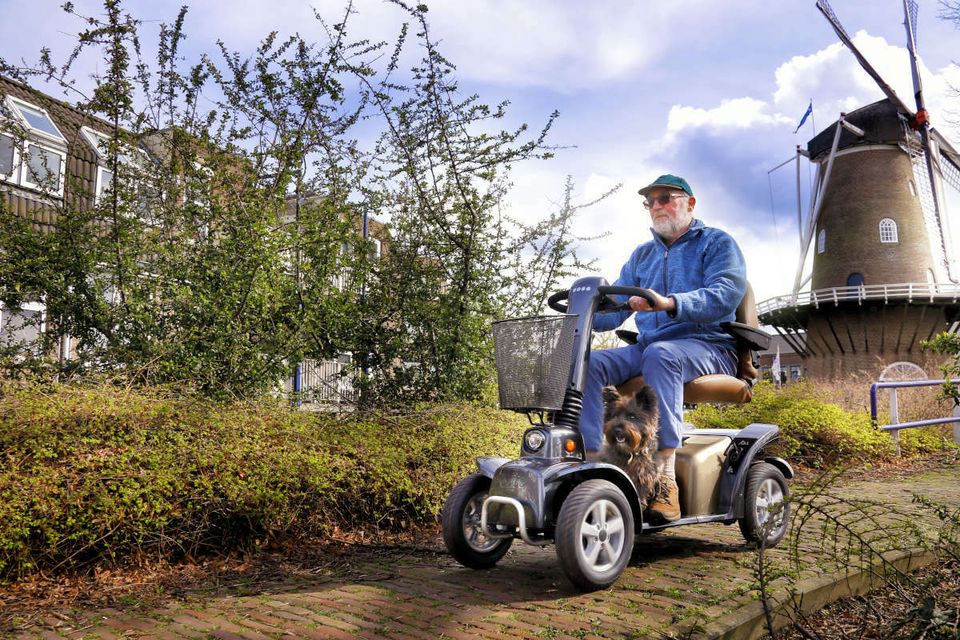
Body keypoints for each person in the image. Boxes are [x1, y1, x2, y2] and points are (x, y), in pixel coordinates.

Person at [582, 174, 747, 523]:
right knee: (592, 363)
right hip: (651, 345)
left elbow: (726, 295)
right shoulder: (642, 256)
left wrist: (670, 303)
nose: (656, 206)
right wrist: (582, 312)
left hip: (709, 344)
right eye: (650, 201)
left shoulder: (716, 243)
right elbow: (614, 313)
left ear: (690, 202)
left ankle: (664, 481)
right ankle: (593, 466)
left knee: (663, 355)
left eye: (665, 198)